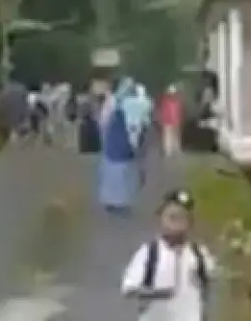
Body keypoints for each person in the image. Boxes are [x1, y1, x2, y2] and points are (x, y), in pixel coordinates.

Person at [121, 189, 217, 321]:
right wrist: (155, 293)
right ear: (161, 219)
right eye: (172, 218)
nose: (176, 224)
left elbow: (210, 281)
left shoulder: (199, 254)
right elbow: (129, 288)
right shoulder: (150, 253)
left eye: (182, 218)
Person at [97, 78, 140, 213]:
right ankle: (115, 201)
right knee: (117, 171)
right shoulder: (116, 102)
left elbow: (103, 121)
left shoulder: (118, 102)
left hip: (117, 141)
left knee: (117, 171)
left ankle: (115, 201)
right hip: (117, 140)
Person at [158, 85, 183, 156]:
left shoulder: (177, 102)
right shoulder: (165, 102)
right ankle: (168, 151)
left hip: (175, 121)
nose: (173, 95)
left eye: (174, 93)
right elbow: (163, 112)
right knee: (168, 136)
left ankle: (175, 149)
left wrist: (179, 119)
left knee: (176, 136)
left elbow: (178, 112)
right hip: (167, 121)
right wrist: (162, 119)